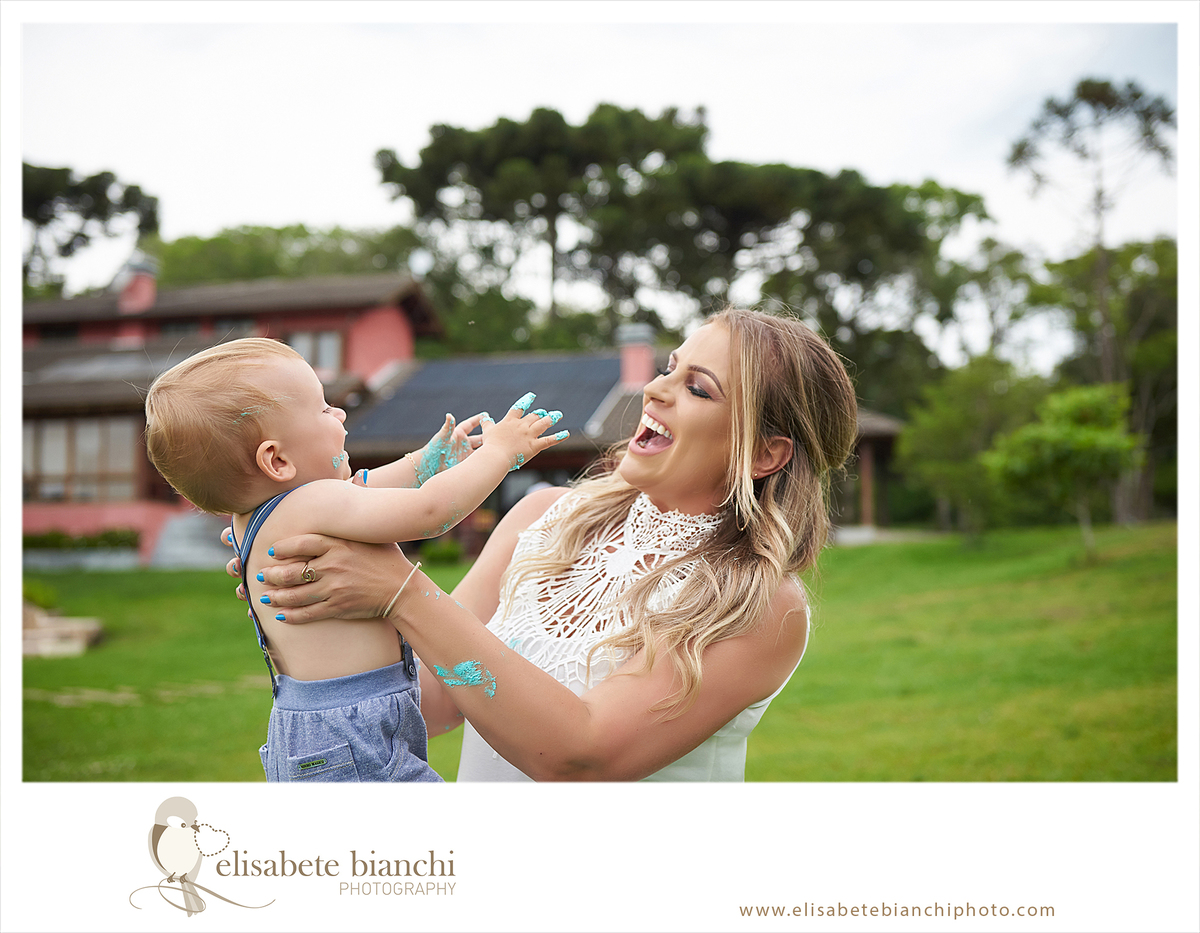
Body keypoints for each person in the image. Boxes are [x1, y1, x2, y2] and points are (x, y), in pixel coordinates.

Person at [235, 309, 857, 781]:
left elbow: (578, 758)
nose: (657, 390)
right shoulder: (540, 516)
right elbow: (438, 699)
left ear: (764, 453)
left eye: (699, 388)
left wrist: (400, 592)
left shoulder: (762, 602)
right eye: (669, 368)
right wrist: (308, 586)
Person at [145, 337, 567, 781]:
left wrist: (428, 461)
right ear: (277, 460)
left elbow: (367, 487)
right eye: (324, 409)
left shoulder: (258, 518)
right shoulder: (311, 504)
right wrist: (500, 453)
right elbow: (430, 512)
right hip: (352, 733)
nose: (341, 413)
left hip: (314, 730)